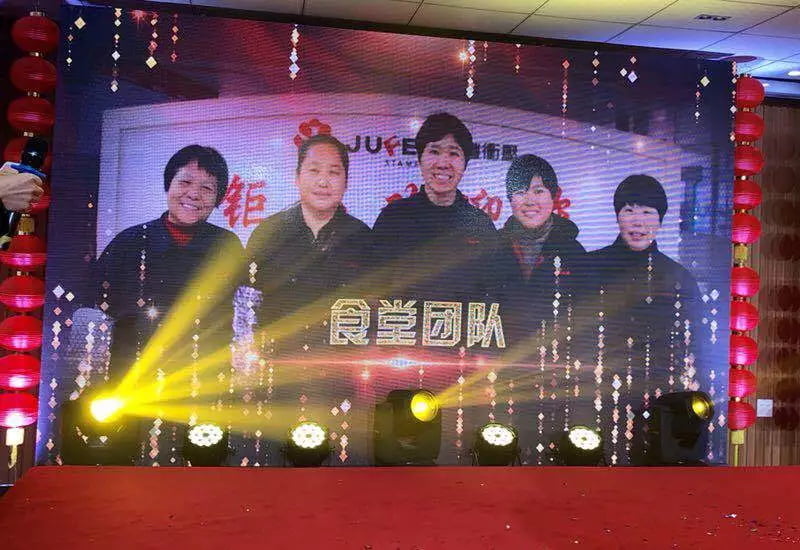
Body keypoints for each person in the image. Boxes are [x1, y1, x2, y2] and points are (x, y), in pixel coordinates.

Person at [580, 174, 703, 464]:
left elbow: (697, 345)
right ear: (617, 216)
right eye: (629, 210)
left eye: (647, 212)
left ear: (661, 220)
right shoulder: (588, 267)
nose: (637, 221)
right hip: (593, 397)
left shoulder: (679, 277)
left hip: (660, 405)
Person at [94, 145, 244, 380]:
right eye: (185, 182)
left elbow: (241, 315)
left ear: (218, 198)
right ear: (168, 184)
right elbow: (99, 308)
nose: (194, 194)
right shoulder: (129, 242)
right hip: (133, 378)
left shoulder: (227, 246)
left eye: (207, 188)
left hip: (205, 379)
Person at [245, 134, 371, 348]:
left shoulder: (363, 237)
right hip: (278, 359)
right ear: (297, 177)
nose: (323, 182)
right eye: (314, 170)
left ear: (346, 182)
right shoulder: (267, 233)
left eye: (333, 172)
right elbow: (248, 306)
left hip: (341, 360)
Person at [370, 112, 501, 303]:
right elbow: (372, 289)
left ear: (465, 164)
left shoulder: (480, 224)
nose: (443, 164)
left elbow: (493, 293)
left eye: (453, 153)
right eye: (434, 151)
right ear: (420, 159)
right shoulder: (393, 218)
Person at [496, 154, 586, 344]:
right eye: (520, 192)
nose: (529, 201)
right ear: (510, 199)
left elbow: (585, 320)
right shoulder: (492, 247)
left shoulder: (574, 253)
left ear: (553, 196)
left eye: (538, 191)